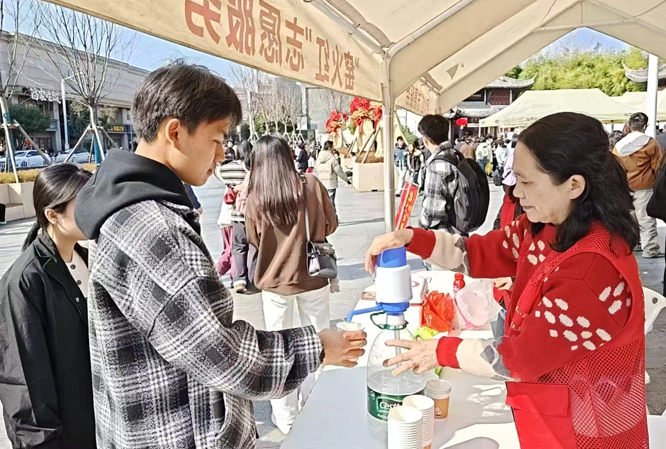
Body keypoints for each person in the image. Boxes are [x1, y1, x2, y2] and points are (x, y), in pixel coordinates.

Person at [73, 62, 365, 449]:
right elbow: (222, 354)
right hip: (179, 434)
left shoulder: (130, 210)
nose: (222, 153)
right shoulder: (153, 227)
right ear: (175, 132)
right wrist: (318, 347)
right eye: (216, 138)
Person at [365, 112, 647, 449]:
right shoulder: (546, 225)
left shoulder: (591, 270)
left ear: (574, 185)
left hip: (588, 427)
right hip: (553, 409)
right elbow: (478, 252)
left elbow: (519, 358)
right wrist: (411, 238)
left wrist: (439, 351)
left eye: (527, 182)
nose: (514, 190)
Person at [245, 136, 340, 435]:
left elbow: (253, 238)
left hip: (275, 282)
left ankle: (286, 418)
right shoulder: (311, 184)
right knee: (319, 345)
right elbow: (331, 224)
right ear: (288, 155)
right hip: (314, 276)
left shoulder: (256, 197)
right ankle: (316, 407)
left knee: (280, 351)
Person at [0, 164, 95, 449]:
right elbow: (24, 381)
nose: (95, 210)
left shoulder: (88, 260)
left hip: (98, 425)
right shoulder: (24, 282)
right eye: (84, 204)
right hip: (64, 437)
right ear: (53, 215)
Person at [613, 112, 664, 258]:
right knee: (646, 220)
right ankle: (650, 249)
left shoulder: (619, 146)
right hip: (644, 186)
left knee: (630, 219)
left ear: (629, 125)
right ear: (645, 126)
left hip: (624, 187)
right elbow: (657, 166)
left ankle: (634, 244)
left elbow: (615, 168)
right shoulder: (651, 144)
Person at [418, 114, 459, 232]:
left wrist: (422, 225)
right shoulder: (455, 154)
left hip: (442, 233)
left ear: (425, 139)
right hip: (458, 227)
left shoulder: (437, 165)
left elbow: (432, 212)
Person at [213, 142, 248, 278]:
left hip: (227, 213)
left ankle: (223, 274)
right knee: (239, 249)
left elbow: (216, 171)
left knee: (230, 248)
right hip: (244, 214)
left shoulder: (226, 169)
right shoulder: (251, 170)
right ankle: (237, 276)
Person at [229, 140, 259, 294]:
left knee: (239, 247)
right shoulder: (258, 167)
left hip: (238, 214)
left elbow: (217, 173)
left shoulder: (231, 168)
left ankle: (239, 280)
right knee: (255, 247)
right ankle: (253, 281)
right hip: (255, 215)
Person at [315, 140, 351, 211]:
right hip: (330, 183)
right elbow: (339, 171)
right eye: (332, 147)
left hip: (321, 183)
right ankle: (333, 216)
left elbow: (316, 168)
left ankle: (324, 216)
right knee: (331, 202)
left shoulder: (319, 158)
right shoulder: (332, 158)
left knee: (323, 202)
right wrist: (346, 180)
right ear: (329, 148)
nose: (333, 148)